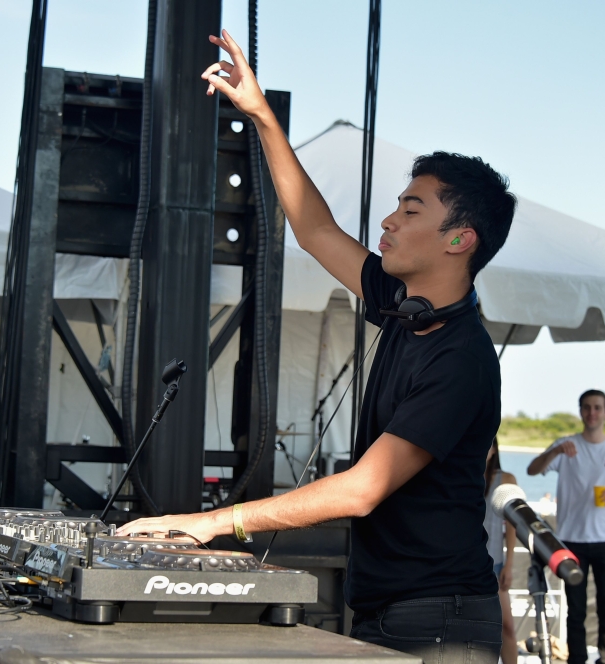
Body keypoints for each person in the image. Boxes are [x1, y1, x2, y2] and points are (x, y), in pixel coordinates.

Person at [117, 29, 517, 663]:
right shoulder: (403, 307)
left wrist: (214, 522)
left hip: (440, 623)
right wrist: (261, 118)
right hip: (390, 610)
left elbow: (362, 489)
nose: (388, 220)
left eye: (411, 211)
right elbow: (313, 228)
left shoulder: (461, 357)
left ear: (458, 240)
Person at [526, 390, 605, 664]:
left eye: (597, 408)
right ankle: (577, 659)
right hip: (570, 540)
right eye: (587, 407)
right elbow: (532, 470)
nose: (592, 413)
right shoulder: (566, 445)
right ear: (581, 412)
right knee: (575, 610)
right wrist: (554, 450)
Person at [484, 439, 518, 664]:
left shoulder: (506, 480)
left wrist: (509, 564)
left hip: (495, 562)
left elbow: (513, 524)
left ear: (494, 448)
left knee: (507, 627)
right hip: (465, 562)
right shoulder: (460, 476)